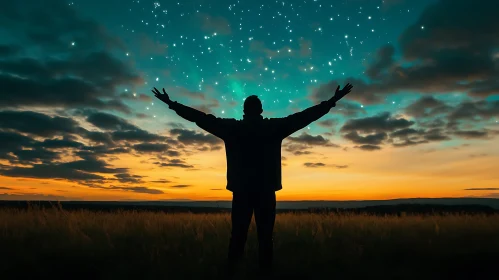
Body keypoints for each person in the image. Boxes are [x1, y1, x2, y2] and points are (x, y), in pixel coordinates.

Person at [152, 83, 353, 277]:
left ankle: (232, 271)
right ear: (261, 110)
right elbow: (304, 117)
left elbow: (200, 118)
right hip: (266, 192)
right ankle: (264, 273)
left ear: (244, 111)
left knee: (238, 236)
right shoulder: (274, 127)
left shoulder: (232, 128)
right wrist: (332, 101)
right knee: (265, 238)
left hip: (242, 192)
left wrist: (172, 104)